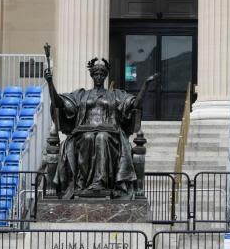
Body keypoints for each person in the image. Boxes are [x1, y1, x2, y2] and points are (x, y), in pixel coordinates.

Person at [43, 57, 156, 199]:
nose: (99, 77)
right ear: (92, 75)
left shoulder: (115, 95)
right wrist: (49, 83)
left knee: (102, 137)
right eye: (96, 74)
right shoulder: (81, 95)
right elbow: (58, 103)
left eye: (102, 74)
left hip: (110, 134)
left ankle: (100, 184)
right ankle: (83, 183)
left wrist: (145, 86)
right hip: (83, 133)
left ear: (105, 76)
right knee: (88, 138)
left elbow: (134, 105)